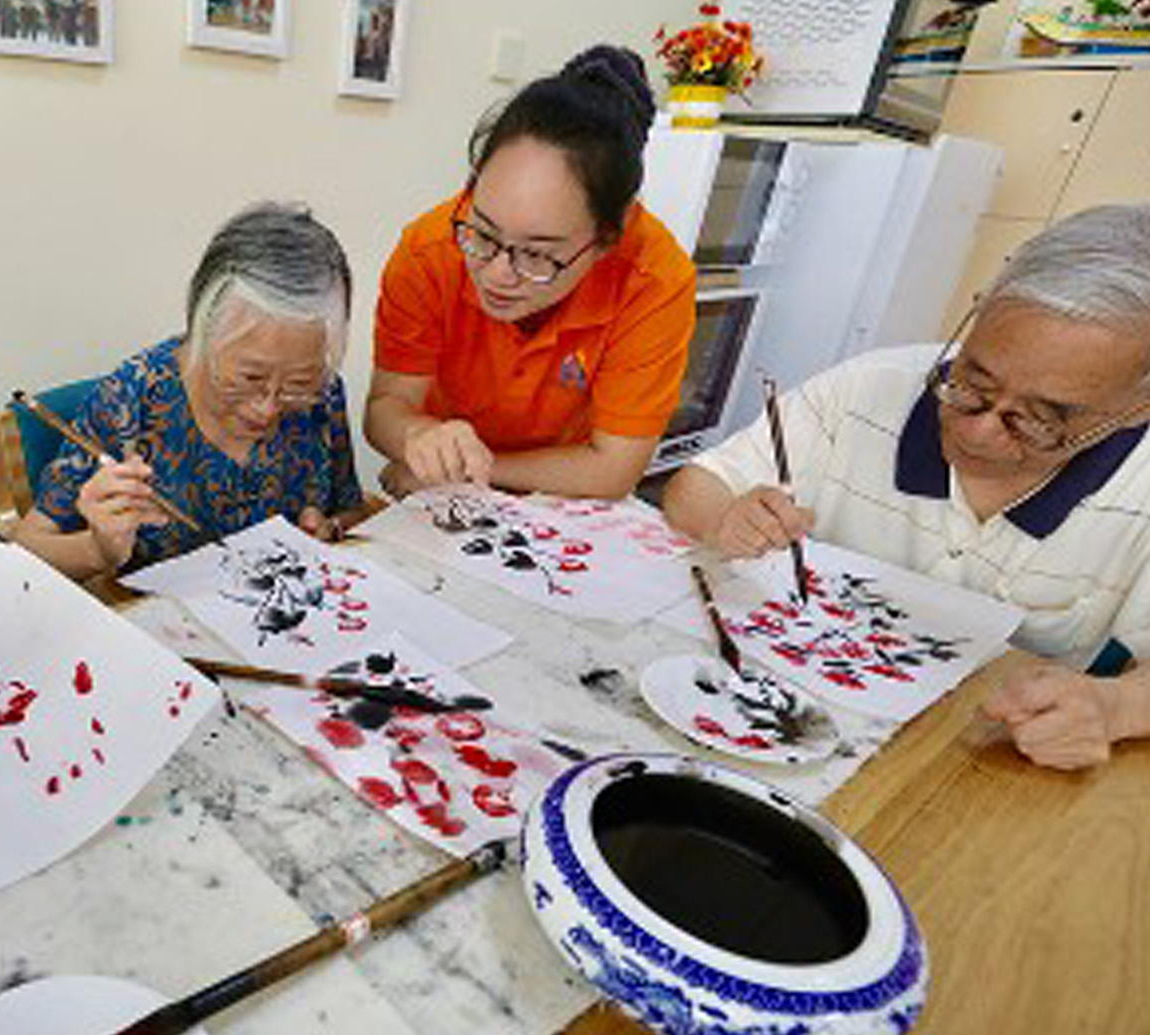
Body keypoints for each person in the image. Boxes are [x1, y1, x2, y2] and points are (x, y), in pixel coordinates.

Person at [661, 204, 1150, 771]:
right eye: (973, 382)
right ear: (976, 317)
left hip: (968, 765)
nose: (981, 430)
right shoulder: (867, 389)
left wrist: (1115, 707)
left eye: (1041, 418)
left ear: (1135, 408)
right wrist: (726, 517)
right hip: (771, 712)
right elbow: (698, 485)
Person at [365, 45, 696, 500]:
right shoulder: (430, 249)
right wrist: (416, 436)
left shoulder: (655, 280)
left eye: (537, 255)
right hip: (438, 492)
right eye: (483, 233)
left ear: (606, 240)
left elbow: (612, 470)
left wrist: (470, 469)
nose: (498, 274)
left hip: (561, 500)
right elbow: (385, 409)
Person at [13, 202, 365, 580]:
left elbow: (349, 509)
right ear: (202, 333)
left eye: (296, 385)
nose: (266, 409)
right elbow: (26, 546)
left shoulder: (321, 395)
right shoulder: (132, 400)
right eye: (248, 379)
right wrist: (98, 549)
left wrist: (328, 530)